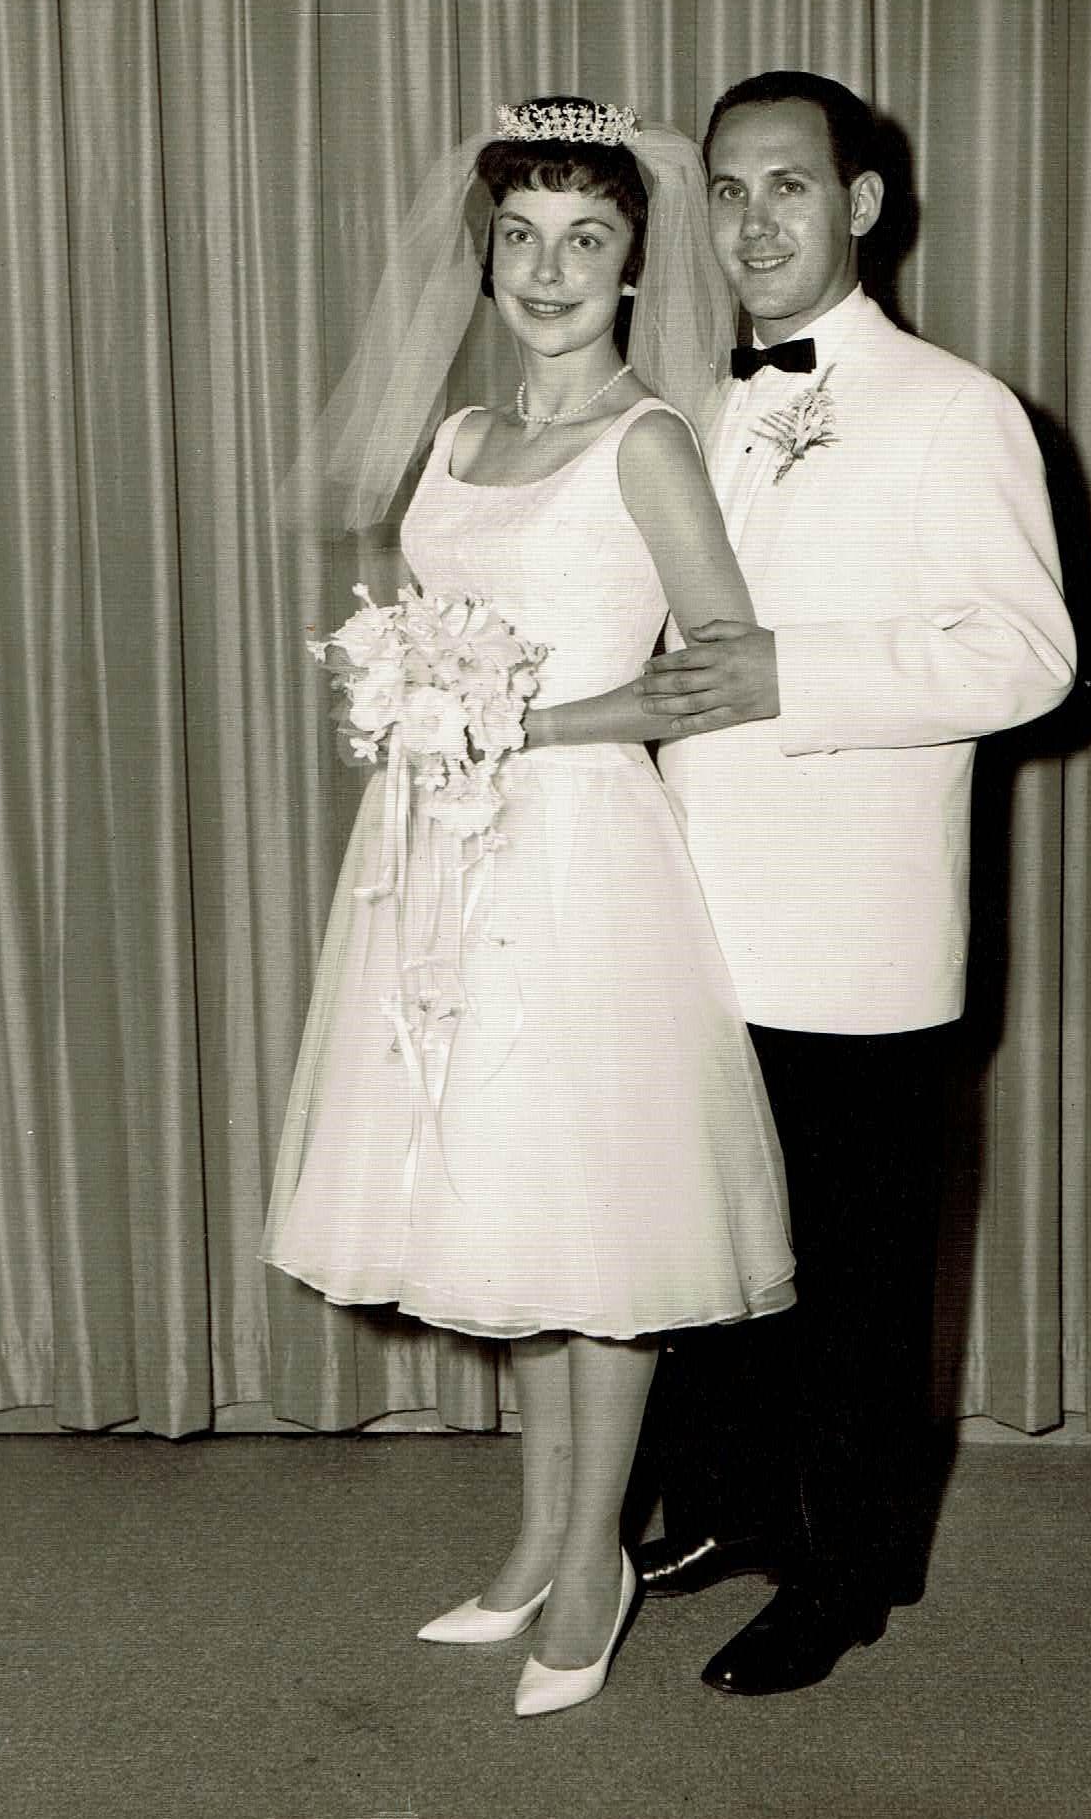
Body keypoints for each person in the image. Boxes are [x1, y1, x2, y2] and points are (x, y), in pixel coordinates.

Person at [260, 97, 795, 1718]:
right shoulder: (456, 441)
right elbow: (430, 627)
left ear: (634, 267)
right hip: (438, 853)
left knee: (593, 1228)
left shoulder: (647, 443)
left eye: (587, 239)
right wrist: (408, 699)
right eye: (521, 239)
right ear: (483, 258)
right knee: (505, 1204)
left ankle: (589, 1571)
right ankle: (539, 1545)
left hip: (577, 857)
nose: (549, 272)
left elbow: (724, 668)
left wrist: (514, 722)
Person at [629, 70, 1078, 1696]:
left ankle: (847, 1572)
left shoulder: (958, 411)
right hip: (691, 914)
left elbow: (1025, 657)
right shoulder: (687, 405)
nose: (753, 221)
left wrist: (790, 676)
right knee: (716, 1255)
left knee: (857, 1286)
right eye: (728, 190)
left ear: (861, 205)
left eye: (788, 186)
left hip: (859, 934)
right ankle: (731, 1510)